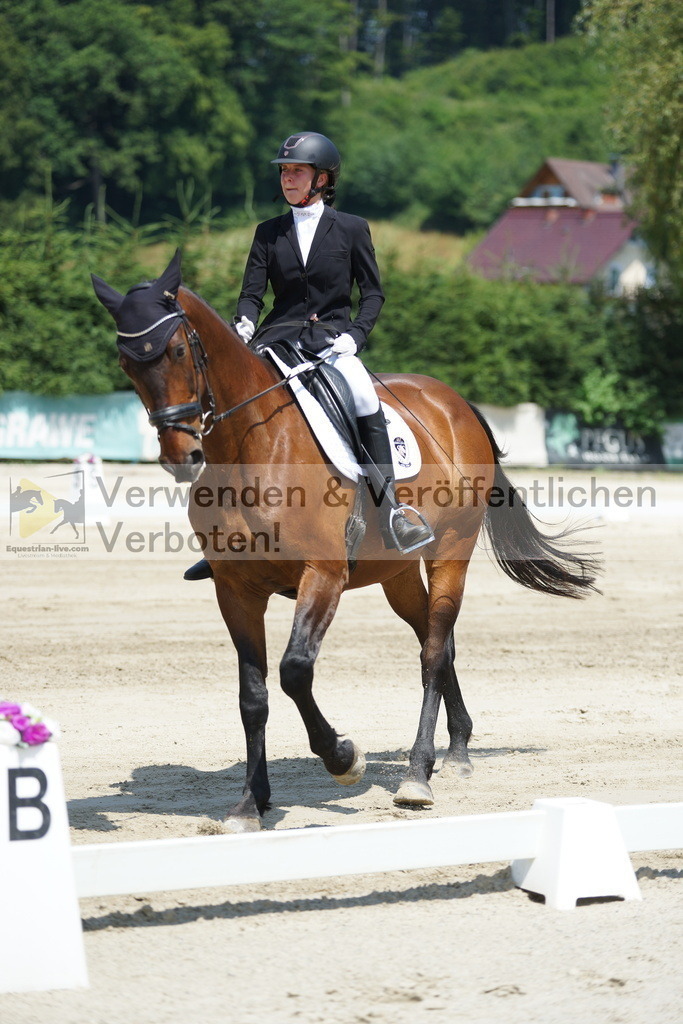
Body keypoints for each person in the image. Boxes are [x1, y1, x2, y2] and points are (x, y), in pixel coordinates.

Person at [185, 131, 432, 580]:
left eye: (296, 170)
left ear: (321, 178)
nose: (287, 178)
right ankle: (226, 528)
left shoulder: (352, 228)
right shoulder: (268, 232)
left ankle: (393, 510)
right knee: (226, 402)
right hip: (274, 340)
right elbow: (251, 294)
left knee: (363, 396)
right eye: (283, 171)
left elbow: (372, 294)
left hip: (331, 343)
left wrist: (355, 336)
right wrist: (243, 322)